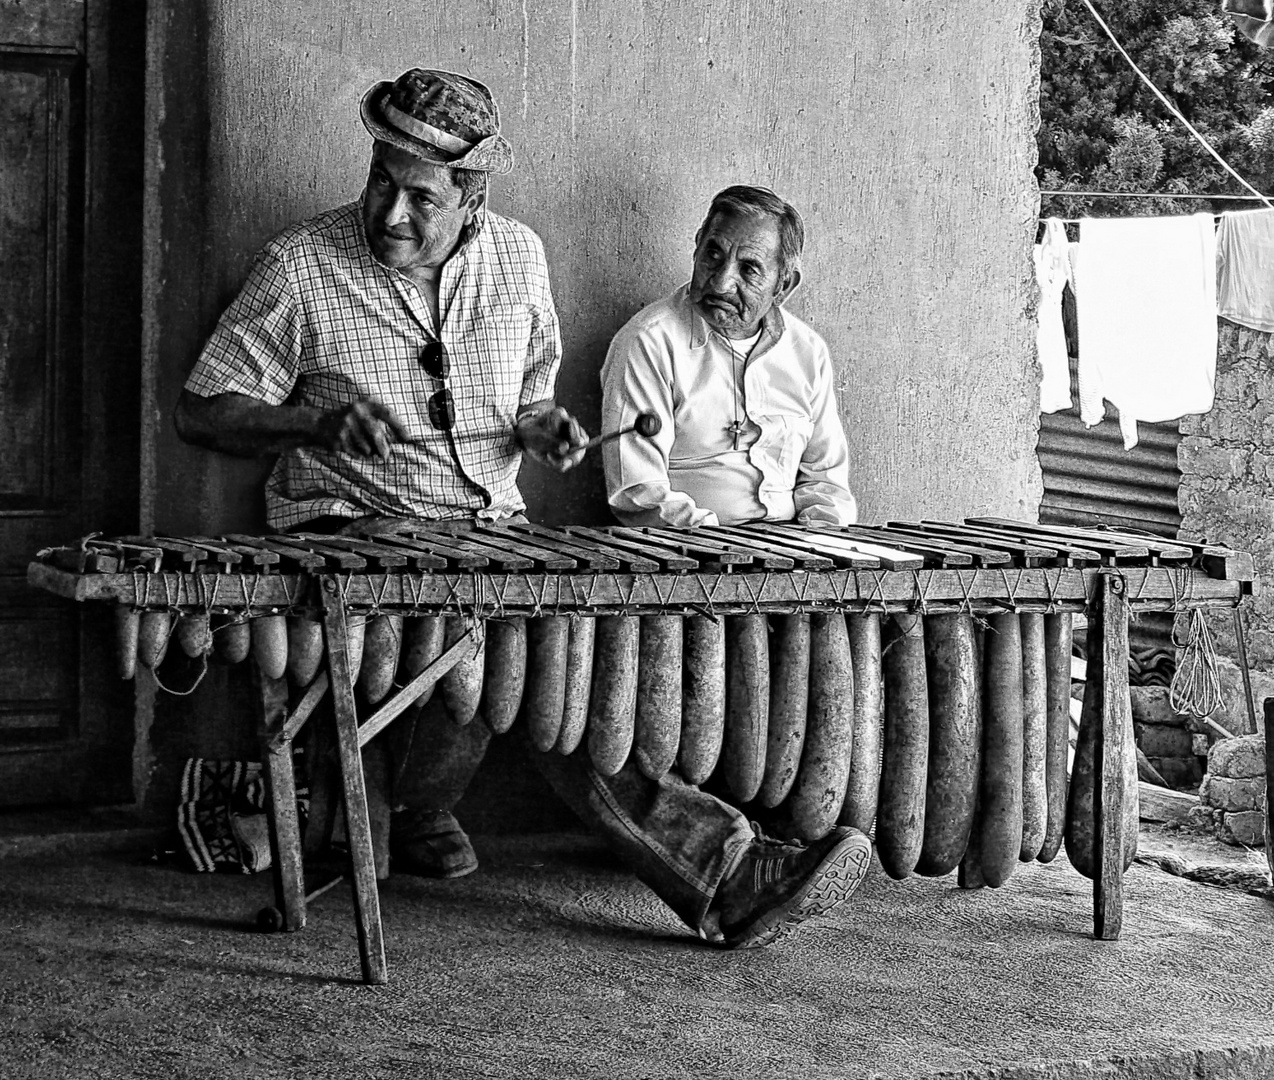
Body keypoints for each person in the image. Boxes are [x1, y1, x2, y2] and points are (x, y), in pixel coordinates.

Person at [174, 68, 870, 950]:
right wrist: (309, 421)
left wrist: (545, 432)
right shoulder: (302, 265)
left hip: (491, 539)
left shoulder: (519, 258)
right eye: (380, 182)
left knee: (560, 669)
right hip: (354, 536)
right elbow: (202, 406)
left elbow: (530, 403)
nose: (390, 213)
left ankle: (409, 807)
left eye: (420, 197)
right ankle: (726, 872)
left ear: (473, 196)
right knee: (499, 651)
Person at [600, 184, 856, 528]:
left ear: (784, 285)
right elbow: (638, 493)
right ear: (696, 249)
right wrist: (724, 549)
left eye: (748, 269)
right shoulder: (649, 341)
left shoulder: (808, 352)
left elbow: (826, 483)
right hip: (691, 552)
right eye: (713, 256)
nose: (720, 283)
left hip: (791, 552)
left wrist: (820, 550)